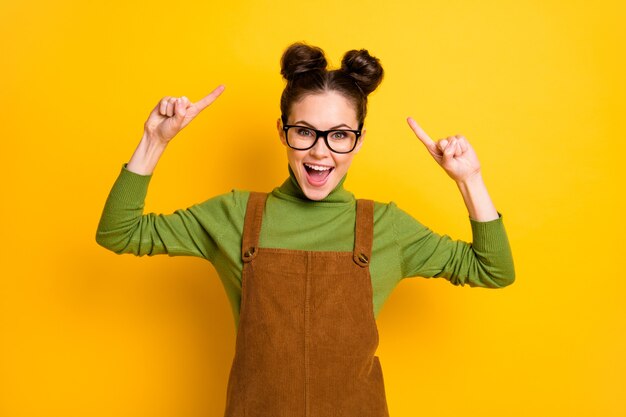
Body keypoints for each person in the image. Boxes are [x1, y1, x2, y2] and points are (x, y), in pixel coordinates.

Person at [96, 42, 515, 416]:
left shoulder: (387, 227)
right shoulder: (234, 215)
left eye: (339, 135)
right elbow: (119, 232)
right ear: (282, 131)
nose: (320, 151)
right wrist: (154, 140)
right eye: (304, 131)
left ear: (359, 140)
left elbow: (493, 269)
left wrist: (469, 179)